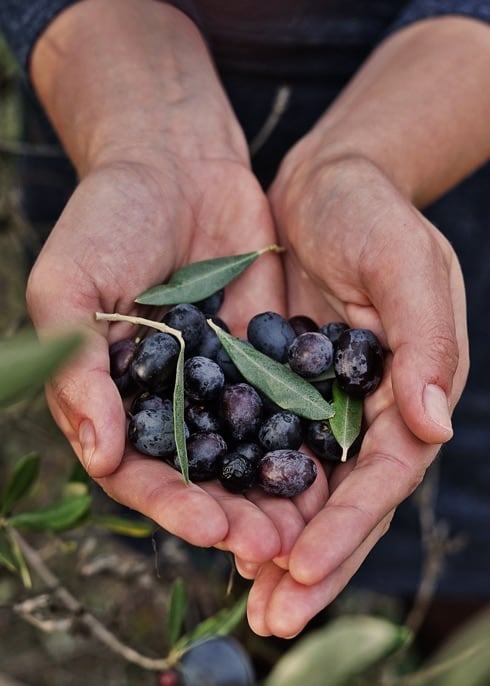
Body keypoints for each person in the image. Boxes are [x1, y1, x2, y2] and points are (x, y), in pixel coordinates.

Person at [0, 0, 488, 640]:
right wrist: (146, 133)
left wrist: (366, 160)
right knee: (215, 543)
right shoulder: (176, 342)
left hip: (439, 135)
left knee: (452, 516)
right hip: (106, 94)